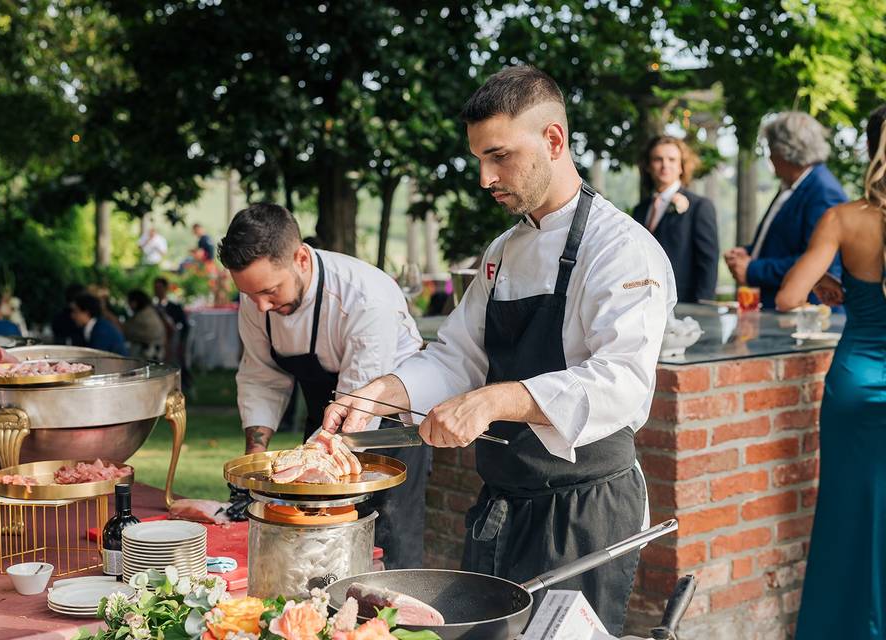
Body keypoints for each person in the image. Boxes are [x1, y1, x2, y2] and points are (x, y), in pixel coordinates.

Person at [322, 66, 675, 635]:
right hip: (504, 501)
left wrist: (495, 400)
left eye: (500, 156)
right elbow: (456, 357)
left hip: (585, 508)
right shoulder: (501, 253)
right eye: (479, 159)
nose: (486, 177)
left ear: (553, 140)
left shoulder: (622, 250)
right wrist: (382, 393)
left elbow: (622, 381)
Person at [219, 203, 429, 570]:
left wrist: (304, 466)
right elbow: (260, 376)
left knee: (385, 542)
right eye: (251, 296)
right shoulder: (256, 296)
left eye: (270, 292)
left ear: (300, 258)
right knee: (317, 549)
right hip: (325, 418)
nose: (261, 306)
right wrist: (255, 460)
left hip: (388, 427)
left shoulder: (365, 297)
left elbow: (359, 403)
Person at [775, 105, 886, 640]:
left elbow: (790, 296)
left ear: (869, 151)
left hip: (855, 383)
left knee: (846, 513)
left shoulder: (843, 218)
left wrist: (828, 287)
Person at [725, 111, 848, 309]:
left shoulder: (823, 192)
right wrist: (748, 253)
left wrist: (753, 269)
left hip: (805, 316)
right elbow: (784, 243)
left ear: (784, 151)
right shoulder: (792, 184)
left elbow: (819, 263)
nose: (770, 157)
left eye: (770, 149)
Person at [633, 136, 719, 303]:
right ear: (649, 166)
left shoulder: (699, 207)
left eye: (672, 159)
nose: (665, 165)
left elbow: (708, 262)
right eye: (658, 159)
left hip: (683, 302)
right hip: (643, 302)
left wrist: (703, 305)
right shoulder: (640, 210)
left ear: (681, 166)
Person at [123, 289, 168, 360]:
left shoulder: (142, 316)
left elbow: (126, 331)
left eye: (129, 302)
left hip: (147, 355)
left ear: (135, 302)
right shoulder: (150, 312)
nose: (128, 305)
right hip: (157, 354)